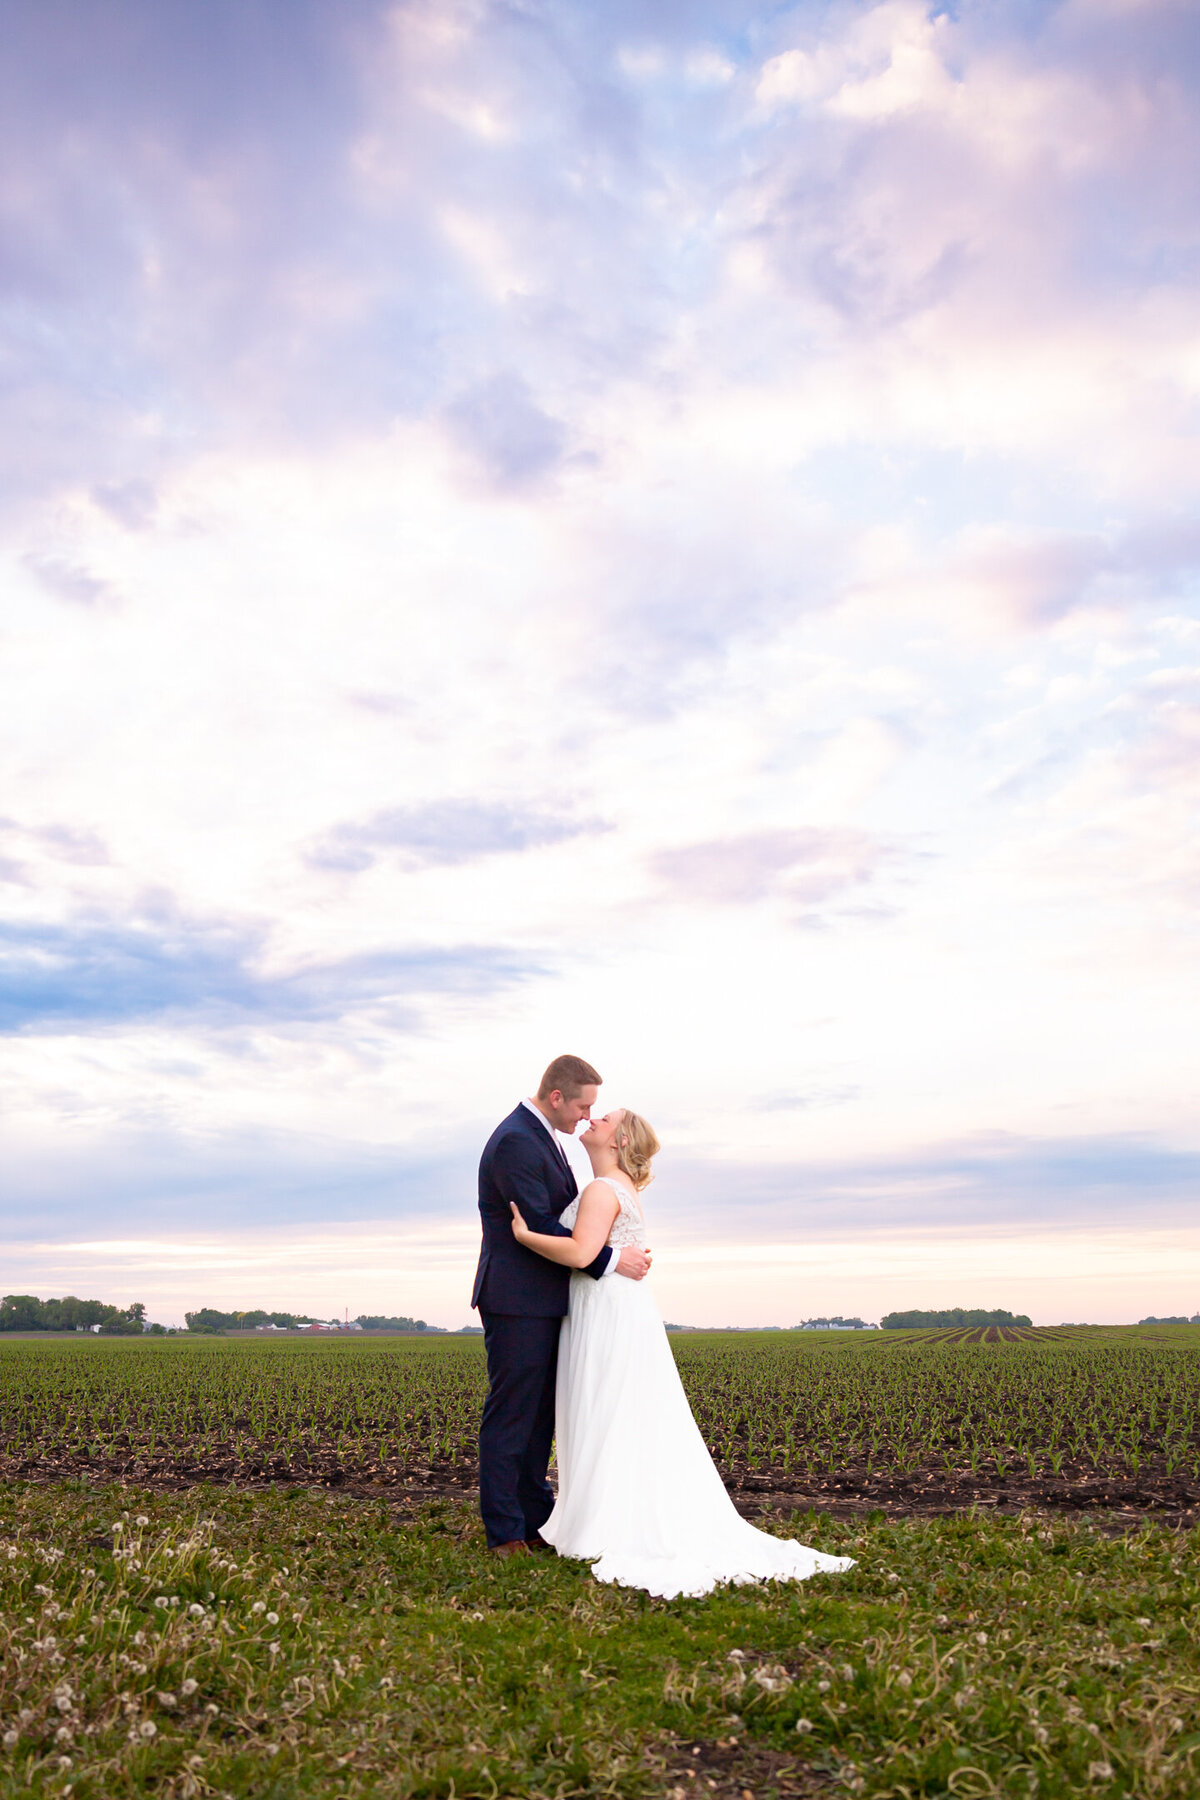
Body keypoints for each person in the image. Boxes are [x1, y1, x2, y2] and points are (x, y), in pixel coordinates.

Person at [509, 1107, 855, 1598]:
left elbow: (582, 1254)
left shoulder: (603, 1190)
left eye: (605, 1118)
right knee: (620, 1409)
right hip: (618, 1305)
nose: (594, 1119)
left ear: (620, 1140)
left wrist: (525, 1236)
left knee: (605, 1407)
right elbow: (602, 1251)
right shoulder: (617, 1188)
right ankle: (610, 1509)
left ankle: (607, 1520)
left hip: (604, 1309)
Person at [472, 1055, 652, 1555]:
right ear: (557, 1097)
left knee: (539, 1420)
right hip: (518, 1300)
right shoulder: (516, 1141)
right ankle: (505, 1531)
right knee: (513, 1414)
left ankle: (535, 1519)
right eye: (583, 1106)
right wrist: (613, 1259)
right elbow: (542, 1226)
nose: (586, 1116)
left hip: (547, 1299)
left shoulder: (543, 1137)